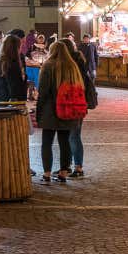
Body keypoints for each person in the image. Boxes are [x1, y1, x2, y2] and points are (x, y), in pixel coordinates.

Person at [35, 41, 88, 183]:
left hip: (49, 111)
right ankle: (63, 173)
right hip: (67, 109)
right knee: (65, 142)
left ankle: (46, 174)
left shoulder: (48, 66)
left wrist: (38, 112)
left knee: (47, 142)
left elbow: (43, 92)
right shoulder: (72, 66)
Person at [62, 38, 97, 178]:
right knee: (74, 135)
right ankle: (75, 166)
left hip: (72, 103)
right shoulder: (79, 61)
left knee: (72, 136)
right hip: (80, 103)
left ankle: (75, 167)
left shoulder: (70, 64)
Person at [0, 33, 27, 102]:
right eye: (20, 46)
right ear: (16, 48)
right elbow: (13, 87)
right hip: (9, 103)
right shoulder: (12, 63)